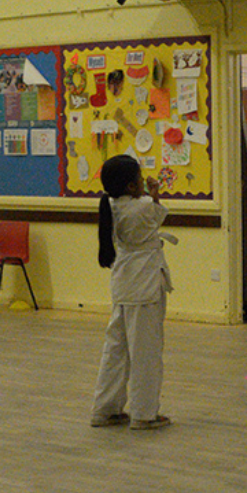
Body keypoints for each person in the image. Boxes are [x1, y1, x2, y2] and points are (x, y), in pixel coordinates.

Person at [91, 154, 175, 430]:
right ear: (130, 186)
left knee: (116, 349)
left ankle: (105, 409)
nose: (143, 182)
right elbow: (157, 213)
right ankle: (144, 413)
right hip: (143, 286)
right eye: (139, 179)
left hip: (124, 283)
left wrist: (148, 194)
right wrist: (154, 193)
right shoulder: (140, 207)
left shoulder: (112, 205)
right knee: (146, 352)